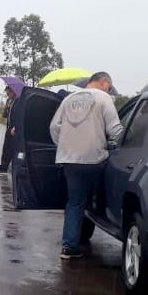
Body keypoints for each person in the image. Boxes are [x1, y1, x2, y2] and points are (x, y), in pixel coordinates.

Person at [49, 72, 123, 260]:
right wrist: (118, 143)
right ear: (104, 82)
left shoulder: (69, 99)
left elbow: (54, 127)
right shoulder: (104, 98)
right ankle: (106, 224)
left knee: (74, 202)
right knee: (99, 196)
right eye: (109, 85)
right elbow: (115, 130)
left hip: (69, 160)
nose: (110, 89)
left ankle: (69, 246)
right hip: (95, 159)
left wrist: (65, 145)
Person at [0, 86, 17, 174]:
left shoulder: (18, 101)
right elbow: (4, 115)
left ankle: (14, 167)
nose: (7, 95)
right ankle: (3, 168)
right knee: (6, 148)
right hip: (9, 128)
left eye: (8, 93)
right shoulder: (8, 101)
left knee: (14, 149)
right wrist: (6, 108)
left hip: (16, 129)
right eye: (6, 93)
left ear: (13, 91)